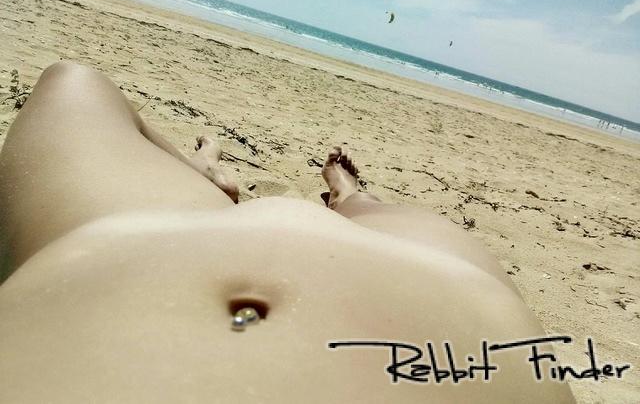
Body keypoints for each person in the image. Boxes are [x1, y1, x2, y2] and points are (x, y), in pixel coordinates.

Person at [0, 62, 574, 403]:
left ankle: (203, 176)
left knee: (73, 82)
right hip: (456, 296)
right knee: (376, 215)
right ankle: (347, 197)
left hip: (129, 242)